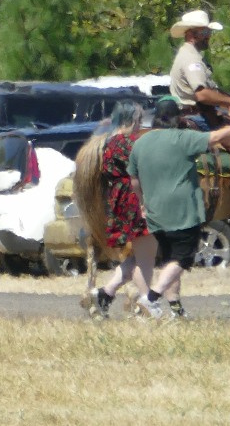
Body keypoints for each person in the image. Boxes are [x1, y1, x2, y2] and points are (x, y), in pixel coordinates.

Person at [127, 97, 230, 319]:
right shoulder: (183, 138)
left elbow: (133, 179)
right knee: (182, 259)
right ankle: (150, 299)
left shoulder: (140, 144)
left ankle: (175, 310)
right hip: (183, 211)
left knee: (170, 260)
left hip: (154, 211)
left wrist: (142, 201)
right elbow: (219, 135)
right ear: (177, 118)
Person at [167, 9, 230, 220]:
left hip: (201, 113)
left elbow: (212, 91)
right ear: (194, 33)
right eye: (206, 32)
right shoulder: (190, 58)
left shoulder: (191, 56)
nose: (209, 36)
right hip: (197, 116)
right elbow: (202, 94)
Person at [86, 101, 164, 318]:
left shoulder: (108, 142)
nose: (140, 124)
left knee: (138, 256)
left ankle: (104, 293)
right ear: (132, 119)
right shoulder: (130, 142)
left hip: (119, 200)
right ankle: (148, 304)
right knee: (145, 259)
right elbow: (146, 170)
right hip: (136, 201)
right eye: (139, 120)